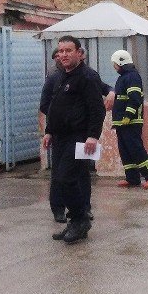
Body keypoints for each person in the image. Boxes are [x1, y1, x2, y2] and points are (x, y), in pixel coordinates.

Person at [44, 36, 105, 244]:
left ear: (79, 53)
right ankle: (75, 221)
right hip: (60, 137)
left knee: (66, 178)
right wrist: (49, 131)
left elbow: (97, 109)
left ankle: (80, 219)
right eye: (60, 51)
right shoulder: (61, 75)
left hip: (79, 138)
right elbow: (54, 107)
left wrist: (92, 136)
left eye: (68, 51)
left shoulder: (88, 77)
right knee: (64, 180)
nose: (63, 55)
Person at [110, 50, 148, 189]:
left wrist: (128, 116)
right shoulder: (123, 77)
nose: (114, 66)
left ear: (120, 62)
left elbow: (135, 99)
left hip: (131, 121)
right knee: (125, 150)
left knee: (136, 149)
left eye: (115, 63)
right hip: (121, 122)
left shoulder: (132, 77)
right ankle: (132, 178)